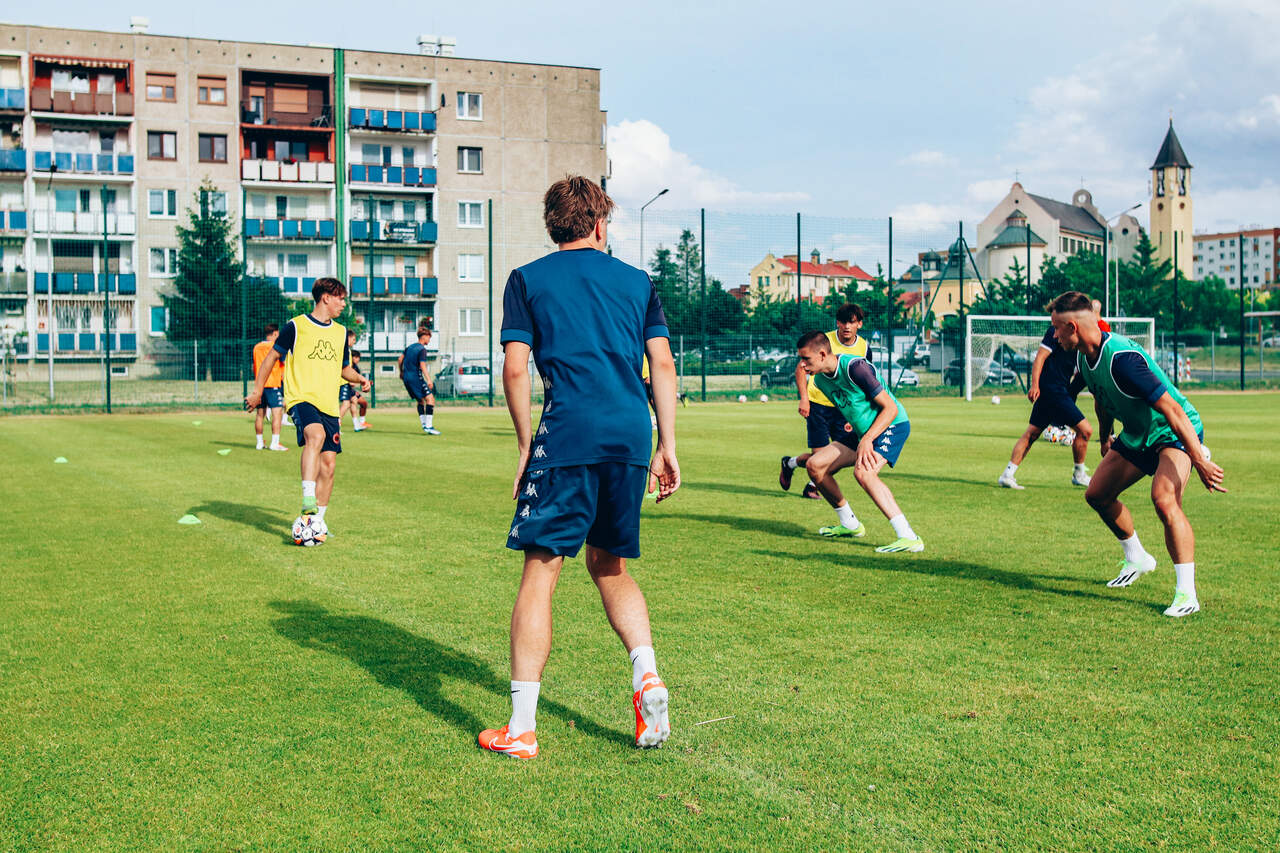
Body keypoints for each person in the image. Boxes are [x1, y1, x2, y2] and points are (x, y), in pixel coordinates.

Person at [479, 176, 680, 760]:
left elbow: (515, 368)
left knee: (541, 570)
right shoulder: (638, 281)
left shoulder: (527, 279)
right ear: (598, 222)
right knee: (609, 564)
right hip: (630, 434)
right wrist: (666, 444)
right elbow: (663, 364)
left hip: (568, 433)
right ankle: (646, 673)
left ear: (554, 226)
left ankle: (521, 729)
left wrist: (525, 444)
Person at [1049, 291, 1226, 617]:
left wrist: (1199, 459)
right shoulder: (1083, 358)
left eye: (1056, 328)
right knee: (1097, 494)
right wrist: (1105, 436)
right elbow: (1102, 399)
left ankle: (1187, 594)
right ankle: (1137, 558)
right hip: (1137, 433)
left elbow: (1173, 409)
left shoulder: (1123, 360)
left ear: (1072, 327)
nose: (1054, 336)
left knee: (1164, 500)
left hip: (1172, 431)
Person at [245, 277, 370, 525]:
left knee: (329, 464)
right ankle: (308, 498)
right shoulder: (296, 326)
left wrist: (360, 378)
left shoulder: (340, 332)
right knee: (315, 435)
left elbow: (344, 369)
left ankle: (315, 522)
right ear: (326, 297)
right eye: (340, 299)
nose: (343, 304)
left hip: (329, 404)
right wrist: (257, 391)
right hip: (301, 398)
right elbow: (271, 358)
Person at [796, 330, 923, 553]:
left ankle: (909, 537)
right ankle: (850, 524)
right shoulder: (820, 380)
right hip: (862, 432)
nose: (802, 365)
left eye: (806, 359)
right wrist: (851, 423)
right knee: (815, 466)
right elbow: (849, 403)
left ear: (823, 354)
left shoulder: (856, 368)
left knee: (864, 473)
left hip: (892, 425)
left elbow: (890, 408)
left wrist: (867, 439)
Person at [779, 303, 867, 500]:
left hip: (843, 408)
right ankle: (810, 484)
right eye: (843, 321)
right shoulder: (822, 341)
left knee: (840, 455)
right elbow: (801, 368)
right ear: (837, 323)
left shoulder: (864, 347)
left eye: (851, 322)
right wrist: (804, 399)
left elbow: (861, 384)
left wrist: (854, 414)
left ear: (859, 324)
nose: (846, 326)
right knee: (819, 458)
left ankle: (792, 465)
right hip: (817, 406)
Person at [997, 317, 1095, 489]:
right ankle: (1079, 474)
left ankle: (1007, 474)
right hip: (1054, 390)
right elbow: (1040, 358)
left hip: (1053, 390)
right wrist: (1034, 384)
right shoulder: (1054, 332)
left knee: (1032, 434)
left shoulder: (1079, 337)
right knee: (1085, 430)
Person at [251, 323, 288, 451]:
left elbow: (254, 366)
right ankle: (275, 443)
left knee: (259, 415)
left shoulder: (256, 347)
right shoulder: (276, 347)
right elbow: (283, 363)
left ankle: (259, 443)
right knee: (277, 413)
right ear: (275, 333)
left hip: (260, 386)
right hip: (272, 384)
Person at [398, 327, 439, 435]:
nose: (429, 340)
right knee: (430, 399)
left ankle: (424, 424)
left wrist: (401, 372)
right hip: (416, 378)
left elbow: (400, 359)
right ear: (424, 337)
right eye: (429, 338)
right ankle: (429, 426)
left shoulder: (409, 347)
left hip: (407, 378)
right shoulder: (422, 349)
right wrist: (429, 380)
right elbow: (422, 365)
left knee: (420, 401)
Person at [342, 348, 370, 432]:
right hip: (343, 386)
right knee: (346, 405)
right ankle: (336, 425)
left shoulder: (355, 367)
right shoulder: (346, 365)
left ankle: (358, 424)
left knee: (358, 402)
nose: (358, 359)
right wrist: (350, 382)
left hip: (351, 389)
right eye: (356, 357)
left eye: (359, 358)